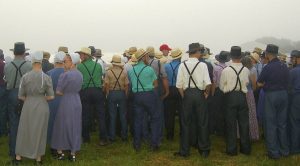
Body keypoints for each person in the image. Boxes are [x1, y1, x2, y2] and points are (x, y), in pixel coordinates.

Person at [14, 51, 54, 165]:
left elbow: (20, 96)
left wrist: (30, 99)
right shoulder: (46, 77)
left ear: (32, 61)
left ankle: (18, 156)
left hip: (28, 105)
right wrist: (41, 98)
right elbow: (51, 96)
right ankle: (38, 158)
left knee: (24, 129)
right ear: (41, 61)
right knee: (40, 131)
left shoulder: (25, 77)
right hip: (42, 106)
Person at [174, 43, 211, 158]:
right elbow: (208, 83)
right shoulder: (203, 65)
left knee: (185, 123)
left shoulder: (182, 65)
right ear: (196, 52)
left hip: (187, 94)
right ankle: (204, 149)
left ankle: (184, 151)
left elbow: (179, 85)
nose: (201, 53)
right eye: (200, 51)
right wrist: (206, 93)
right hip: (200, 94)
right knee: (202, 122)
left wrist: (184, 96)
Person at [257, 44, 289, 159]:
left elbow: (259, 83)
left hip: (271, 95)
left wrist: (267, 84)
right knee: (282, 123)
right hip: (284, 94)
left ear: (267, 54)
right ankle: (284, 150)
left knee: (270, 124)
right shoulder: (284, 65)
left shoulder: (268, 67)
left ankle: (273, 152)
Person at [220, 46, 251, 156]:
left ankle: (232, 149)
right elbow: (247, 83)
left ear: (231, 56)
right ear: (240, 56)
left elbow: (221, 86)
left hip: (230, 97)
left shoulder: (226, 70)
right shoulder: (246, 70)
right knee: (244, 124)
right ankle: (245, 148)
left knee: (231, 124)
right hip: (242, 97)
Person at [51, 53, 83, 162]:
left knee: (62, 125)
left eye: (65, 61)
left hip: (66, 101)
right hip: (77, 101)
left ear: (71, 62)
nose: (63, 63)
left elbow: (59, 92)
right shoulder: (80, 74)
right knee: (75, 125)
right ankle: (73, 152)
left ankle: (60, 152)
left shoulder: (65, 75)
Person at [4, 42, 32, 162]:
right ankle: (25, 149)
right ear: (24, 52)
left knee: (13, 123)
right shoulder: (29, 65)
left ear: (14, 52)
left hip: (11, 95)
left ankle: (13, 150)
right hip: (25, 95)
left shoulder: (8, 66)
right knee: (26, 123)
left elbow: (7, 81)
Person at [128, 49, 160, 152]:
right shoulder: (149, 69)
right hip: (148, 95)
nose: (147, 57)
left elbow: (131, 83)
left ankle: (137, 144)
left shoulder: (131, 70)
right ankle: (154, 144)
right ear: (144, 57)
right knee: (154, 118)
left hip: (136, 96)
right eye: (146, 56)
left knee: (138, 120)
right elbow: (155, 84)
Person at [77, 47, 108, 145]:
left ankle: (86, 138)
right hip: (97, 91)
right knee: (100, 115)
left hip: (85, 91)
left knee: (85, 115)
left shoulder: (80, 67)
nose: (80, 56)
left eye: (81, 54)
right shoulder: (98, 65)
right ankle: (103, 138)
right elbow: (101, 77)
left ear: (86, 55)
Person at [145, 46, 169, 143]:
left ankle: (148, 133)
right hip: (157, 90)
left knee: (147, 112)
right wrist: (167, 91)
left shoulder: (143, 64)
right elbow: (164, 77)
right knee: (158, 113)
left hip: (146, 89)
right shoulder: (159, 63)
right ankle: (159, 134)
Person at [104, 55, 129, 142]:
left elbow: (106, 85)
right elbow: (126, 85)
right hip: (121, 93)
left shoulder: (109, 72)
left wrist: (107, 94)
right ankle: (124, 136)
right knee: (123, 116)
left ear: (113, 63)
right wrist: (125, 95)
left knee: (112, 116)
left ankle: (112, 136)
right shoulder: (124, 72)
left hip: (112, 93)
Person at [46, 51, 66, 155]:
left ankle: (52, 145)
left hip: (52, 100)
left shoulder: (49, 73)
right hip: (64, 100)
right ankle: (64, 144)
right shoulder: (67, 73)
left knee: (52, 123)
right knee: (64, 123)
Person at [164, 48, 183, 140]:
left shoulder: (166, 66)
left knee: (169, 113)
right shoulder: (182, 66)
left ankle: (169, 134)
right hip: (180, 89)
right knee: (182, 112)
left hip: (170, 89)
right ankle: (182, 132)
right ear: (180, 56)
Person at [211, 51, 230, 136]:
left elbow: (214, 82)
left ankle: (218, 130)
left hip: (218, 90)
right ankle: (225, 129)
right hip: (226, 90)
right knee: (225, 109)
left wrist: (212, 93)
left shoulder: (216, 68)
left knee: (217, 110)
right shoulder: (228, 68)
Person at [241, 56, 260, 141]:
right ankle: (252, 134)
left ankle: (240, 134)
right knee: (251, 114)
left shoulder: (241, 70)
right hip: (249, 93)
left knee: (241, 114)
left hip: (241, 93)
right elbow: (254, 86)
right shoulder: (252, 70)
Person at [289, 50, 300, 155]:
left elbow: (288, 87)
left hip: (296, 99)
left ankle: (295, 148)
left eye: (293, 58)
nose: (291, 60)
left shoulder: (293, 71)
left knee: (295, 123)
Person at [0, 49, 8, 137]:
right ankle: (2, 131)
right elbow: (6, 76)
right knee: (2, 110)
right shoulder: (3, 64)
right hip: (2, 87)